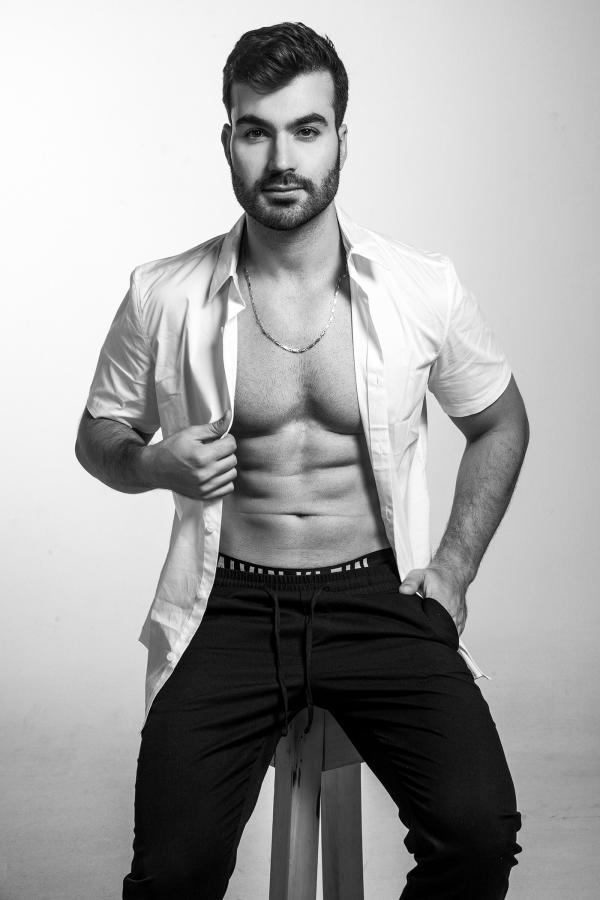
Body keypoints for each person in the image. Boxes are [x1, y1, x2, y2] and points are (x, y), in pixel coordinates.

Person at [75, 20, 528, 900]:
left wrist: (455, 569)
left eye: (306, 129)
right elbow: (99, 434)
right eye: (257, 131)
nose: (282, 158)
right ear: (228, 142)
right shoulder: (162, 293)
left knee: (477, 837)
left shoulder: (419, 286)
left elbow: (501, 422)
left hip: (380, 597)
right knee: (172, 874)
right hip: (227, 605)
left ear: (341, 140)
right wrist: (156, 464)